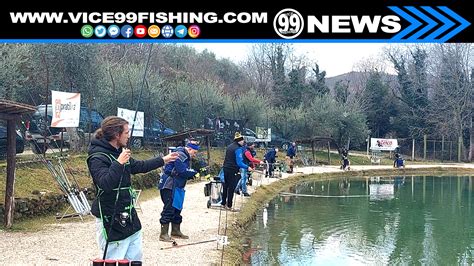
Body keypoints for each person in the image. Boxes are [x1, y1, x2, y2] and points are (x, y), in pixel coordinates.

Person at [87, 116, 178, 261]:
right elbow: (105, 183)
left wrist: (163, 160)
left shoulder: (120, 151)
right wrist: (119, 163)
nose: (129, 136)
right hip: (109, 217)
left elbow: (138, 166)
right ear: (117, 135)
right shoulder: (97, 157)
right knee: (114, 260)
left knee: (135, 259)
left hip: (128, 214)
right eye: (126, 133)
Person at [158, 140, 200, 241]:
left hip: (178, 185)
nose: (194, 155)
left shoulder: (185, 155)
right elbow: (182, 170)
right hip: (169, 184)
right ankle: (163, 234)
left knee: (177, 208)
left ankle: (175, 231)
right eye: (194, 152)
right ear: (189, 149)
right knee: (169, 207)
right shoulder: (181, 154)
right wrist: (193, 173)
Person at [222, 132, 252, 210]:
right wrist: (247, 167)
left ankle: (223, 204)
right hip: (233, 170)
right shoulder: (238, 149)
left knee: (225, 186)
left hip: (225, 168)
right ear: (239, 141)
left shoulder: (229, 147)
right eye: (242, 141)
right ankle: (229, 206)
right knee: (231, 188)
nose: (243, 142)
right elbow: (239, 163)